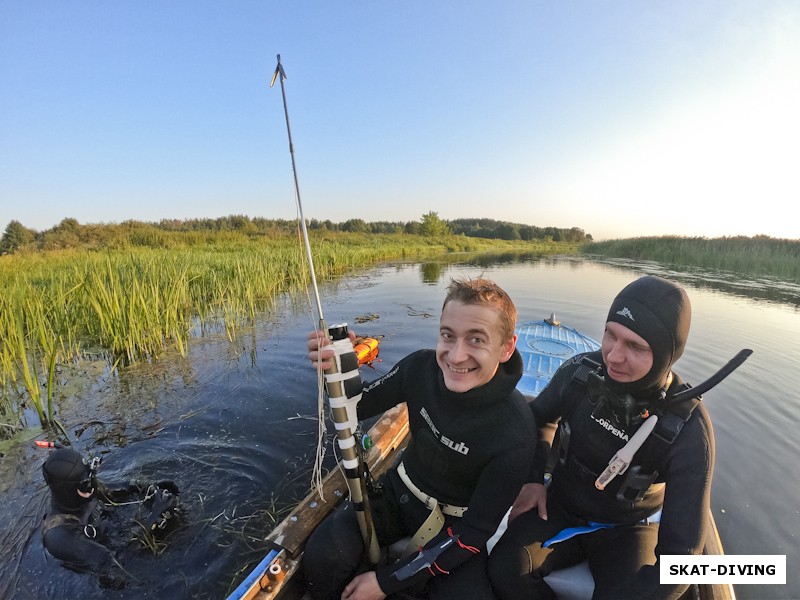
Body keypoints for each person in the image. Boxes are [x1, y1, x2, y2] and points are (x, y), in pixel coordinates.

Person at [303, 277, 537, 600]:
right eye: (448, 336)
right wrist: (339, 366)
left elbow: (474, 534)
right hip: (397, 497)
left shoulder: (516, 432)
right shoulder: (420, 369)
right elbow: (357, 406)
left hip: (456, 530)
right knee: (323, 556)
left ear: (506, 347)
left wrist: (386, 582)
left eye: (476, 340)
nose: (456, 356)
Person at [488, 275, 713, 600]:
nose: (613, 356)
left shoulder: (687, 427)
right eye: (610, 335)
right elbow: (536, 420)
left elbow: (682, 556)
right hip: (559, 506)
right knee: (505, 568)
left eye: (635, 346)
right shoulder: (580, 373)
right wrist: (534, 478)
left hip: (629, 527)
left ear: (668, 354)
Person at [40, 447, 180, 585]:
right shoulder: (61, 538)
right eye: (86, 483)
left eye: (92, 475)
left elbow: (123, 488)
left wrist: (152, 489)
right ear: (67, 490)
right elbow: (120, 563)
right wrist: (155, 516)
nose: (93, 485)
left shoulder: (84, 491)